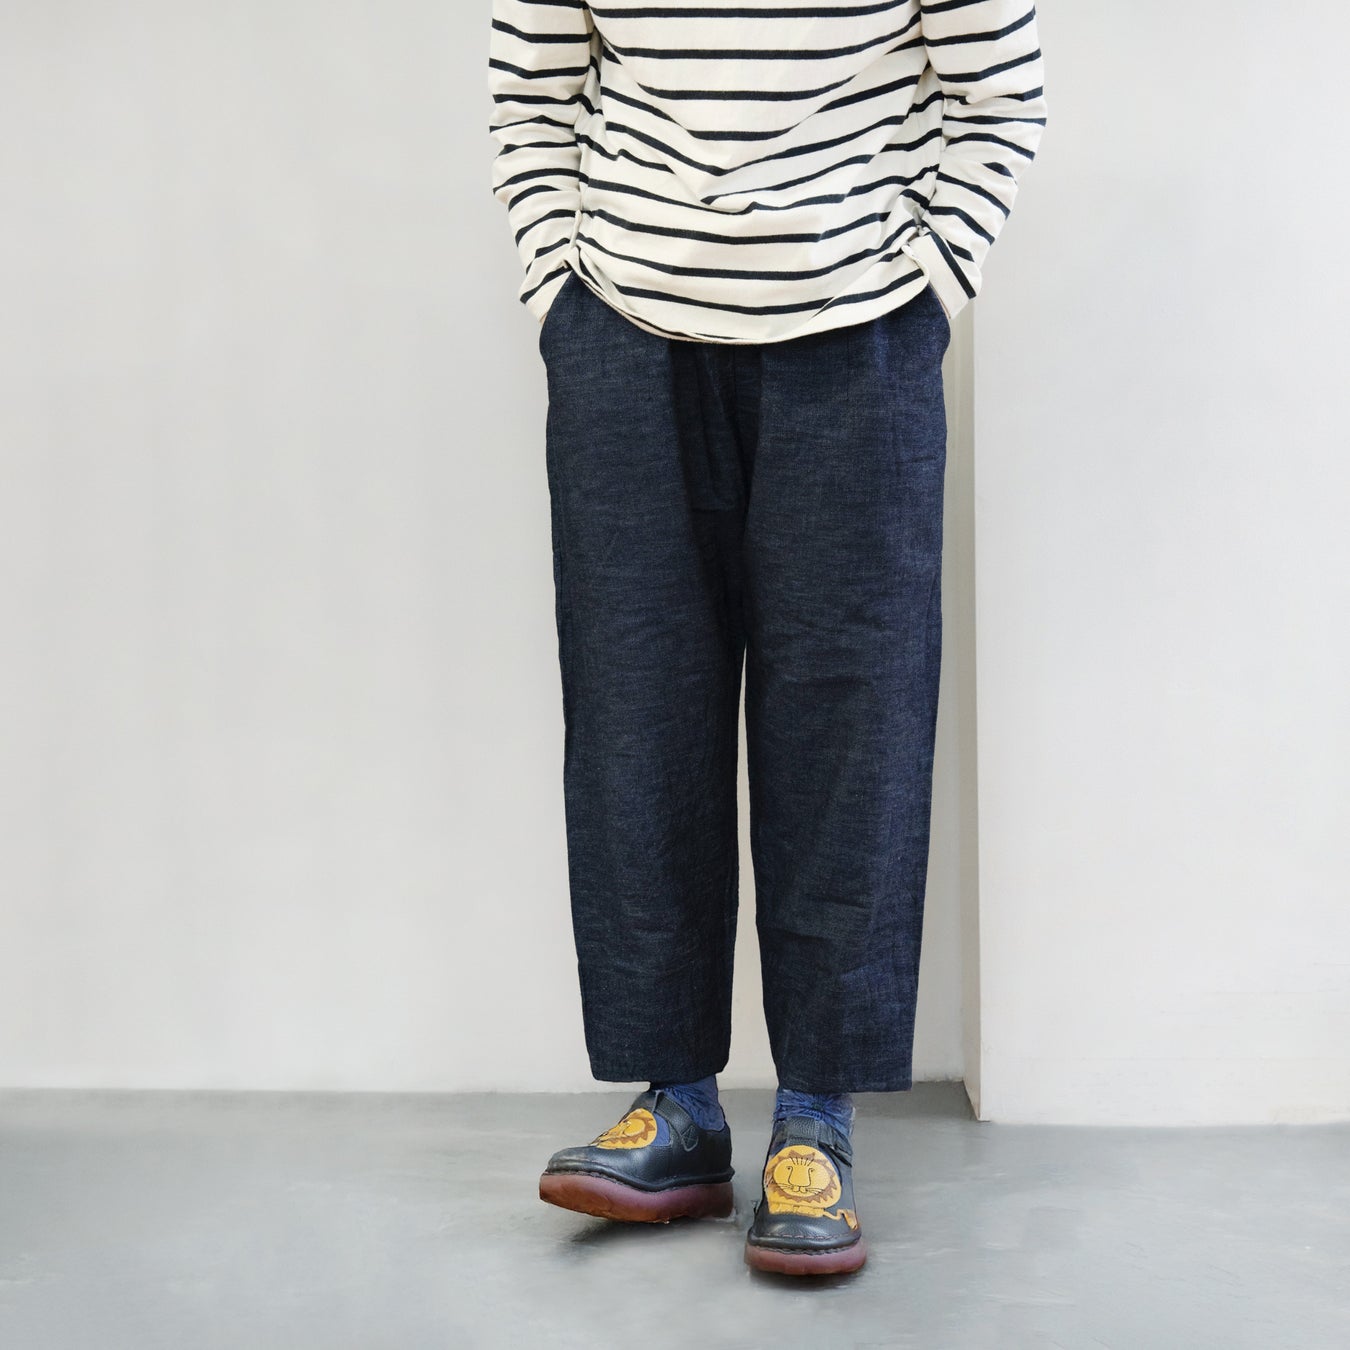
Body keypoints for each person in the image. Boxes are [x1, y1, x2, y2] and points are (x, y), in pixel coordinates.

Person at [487, 0, 1046, 1276]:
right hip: (623, 335)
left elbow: (1001, 96)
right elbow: (530, 93)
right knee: (637, 718)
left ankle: (817, 1120)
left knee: (852, 727)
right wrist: (556, 293)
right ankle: (677, 1105)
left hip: (859, 339)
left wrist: (925, 291)